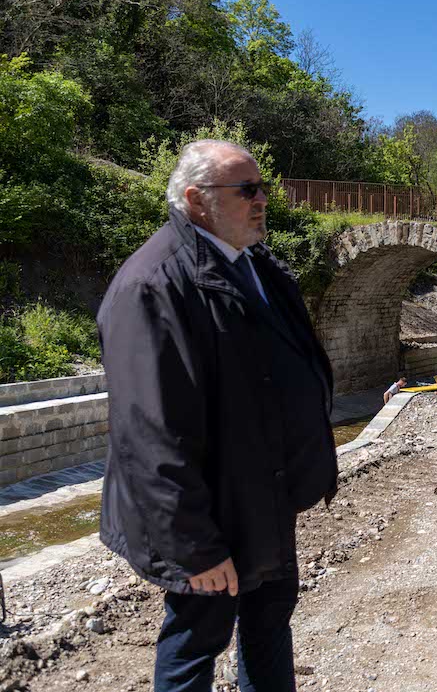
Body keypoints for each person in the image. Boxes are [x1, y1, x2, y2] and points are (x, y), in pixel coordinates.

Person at [97, 140, 338, 692]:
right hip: (208, 514)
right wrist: (195, 548)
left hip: (263, 497)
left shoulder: (254, 265)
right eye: (246, 190)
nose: (262, 201)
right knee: (196, 644)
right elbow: (148, 434)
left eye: (263, 188)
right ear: (196, 200)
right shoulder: (151, 286)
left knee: (269, 627)